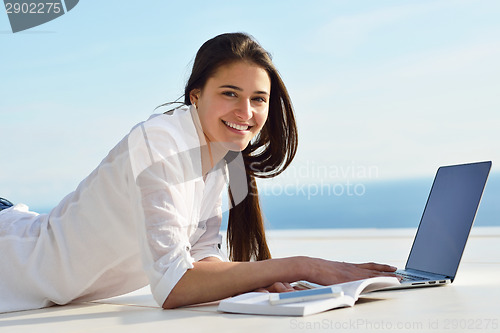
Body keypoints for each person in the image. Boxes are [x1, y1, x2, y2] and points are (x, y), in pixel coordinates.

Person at [0, 32, 398, 313]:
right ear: (196, 95)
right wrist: (303, 266)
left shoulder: (220, 157)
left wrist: (255, 278)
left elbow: (200, 259)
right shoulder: (158, 144)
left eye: (258, 99)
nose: (246, 113)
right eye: (230, 93)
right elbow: (173, 287)